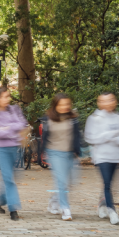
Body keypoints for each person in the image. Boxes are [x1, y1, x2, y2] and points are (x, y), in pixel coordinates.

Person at [85, 92, 119, 225]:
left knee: (110, 184)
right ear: (99, 103)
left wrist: (116, 138)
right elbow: (90, 137)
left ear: (115, 101)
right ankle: (112, 211)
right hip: (101, 156)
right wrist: (110, 135)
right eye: (104, 101)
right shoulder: (94, 118)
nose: (108, 103)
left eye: (111, 100)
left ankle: (102, 203)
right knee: (107, 183)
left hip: (116, 156)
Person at [0, 87, 27, 221]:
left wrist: (7, 128)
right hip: (1, 149)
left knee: (11, 178)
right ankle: (13, 209)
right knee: (9, 179)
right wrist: (12, 128)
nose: (6, 99)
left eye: (8, 96)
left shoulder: (15, 109)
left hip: (15, 147)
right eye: (3, 97)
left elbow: (22, 124)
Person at [39, 93, 82, 221]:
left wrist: (77, 152)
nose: (64, 107)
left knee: (70, 182)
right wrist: (41, 152)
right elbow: (45, 138)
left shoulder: (73, 119)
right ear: (55, 105)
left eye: (67, 104)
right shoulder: (48, 119)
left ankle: (54, 200)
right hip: (54, 153)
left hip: (69, 153)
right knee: (62, 181)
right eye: (61, 104)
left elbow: (77, 136)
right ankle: (65, 209)